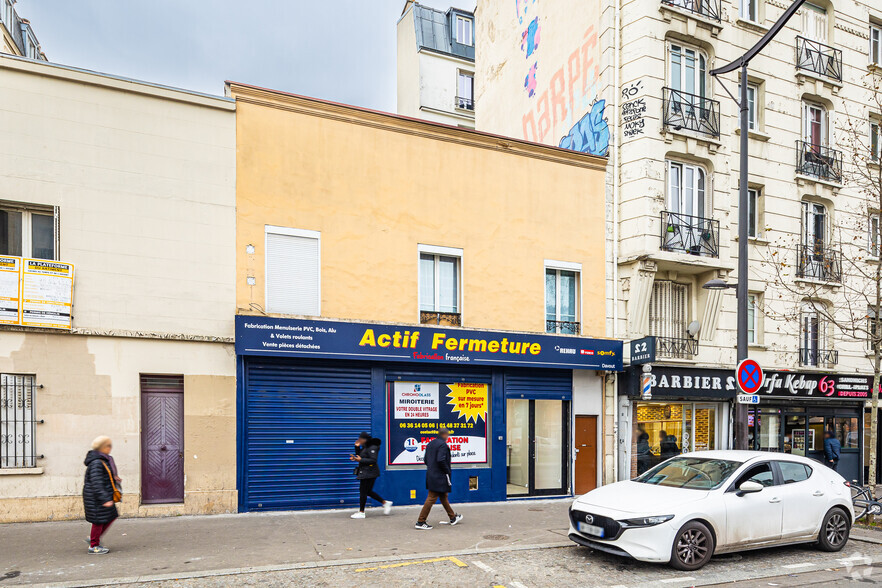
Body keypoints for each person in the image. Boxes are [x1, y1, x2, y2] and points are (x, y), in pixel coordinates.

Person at [415, 428, 462, 530]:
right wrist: (447, 471)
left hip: (431, 474)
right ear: (445, 435)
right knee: (431, 497)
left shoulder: (430, 444)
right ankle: (420, 521)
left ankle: (453, 517)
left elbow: (426, 460)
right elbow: (441, 460)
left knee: (443, 495)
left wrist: (433, 468)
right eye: (448, 435)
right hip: (440, 476)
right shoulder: (442, 445)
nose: (448, 437)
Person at [83, 436, 119, 554]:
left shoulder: (103, 459)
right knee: (98, 521)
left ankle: (93, 539)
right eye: (108, 446)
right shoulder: (97, 462)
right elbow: (96, 482)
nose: (110, 448)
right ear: (102, 447)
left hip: (102, 495)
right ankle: (94, 546)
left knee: (111, 516)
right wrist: (104, 499)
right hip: (97, 497)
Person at [350, 432, 392, 519]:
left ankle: (361, 512)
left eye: (360, 439)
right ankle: (385, 503)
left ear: (365, 439)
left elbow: (373, 460)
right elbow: (360, 457)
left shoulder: (373, 447)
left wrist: (361, 459)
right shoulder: (366, 447)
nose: (359, 440)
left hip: (370, 472)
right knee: (367, 491)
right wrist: (356, 449)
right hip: (366, 472)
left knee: (363, 491)